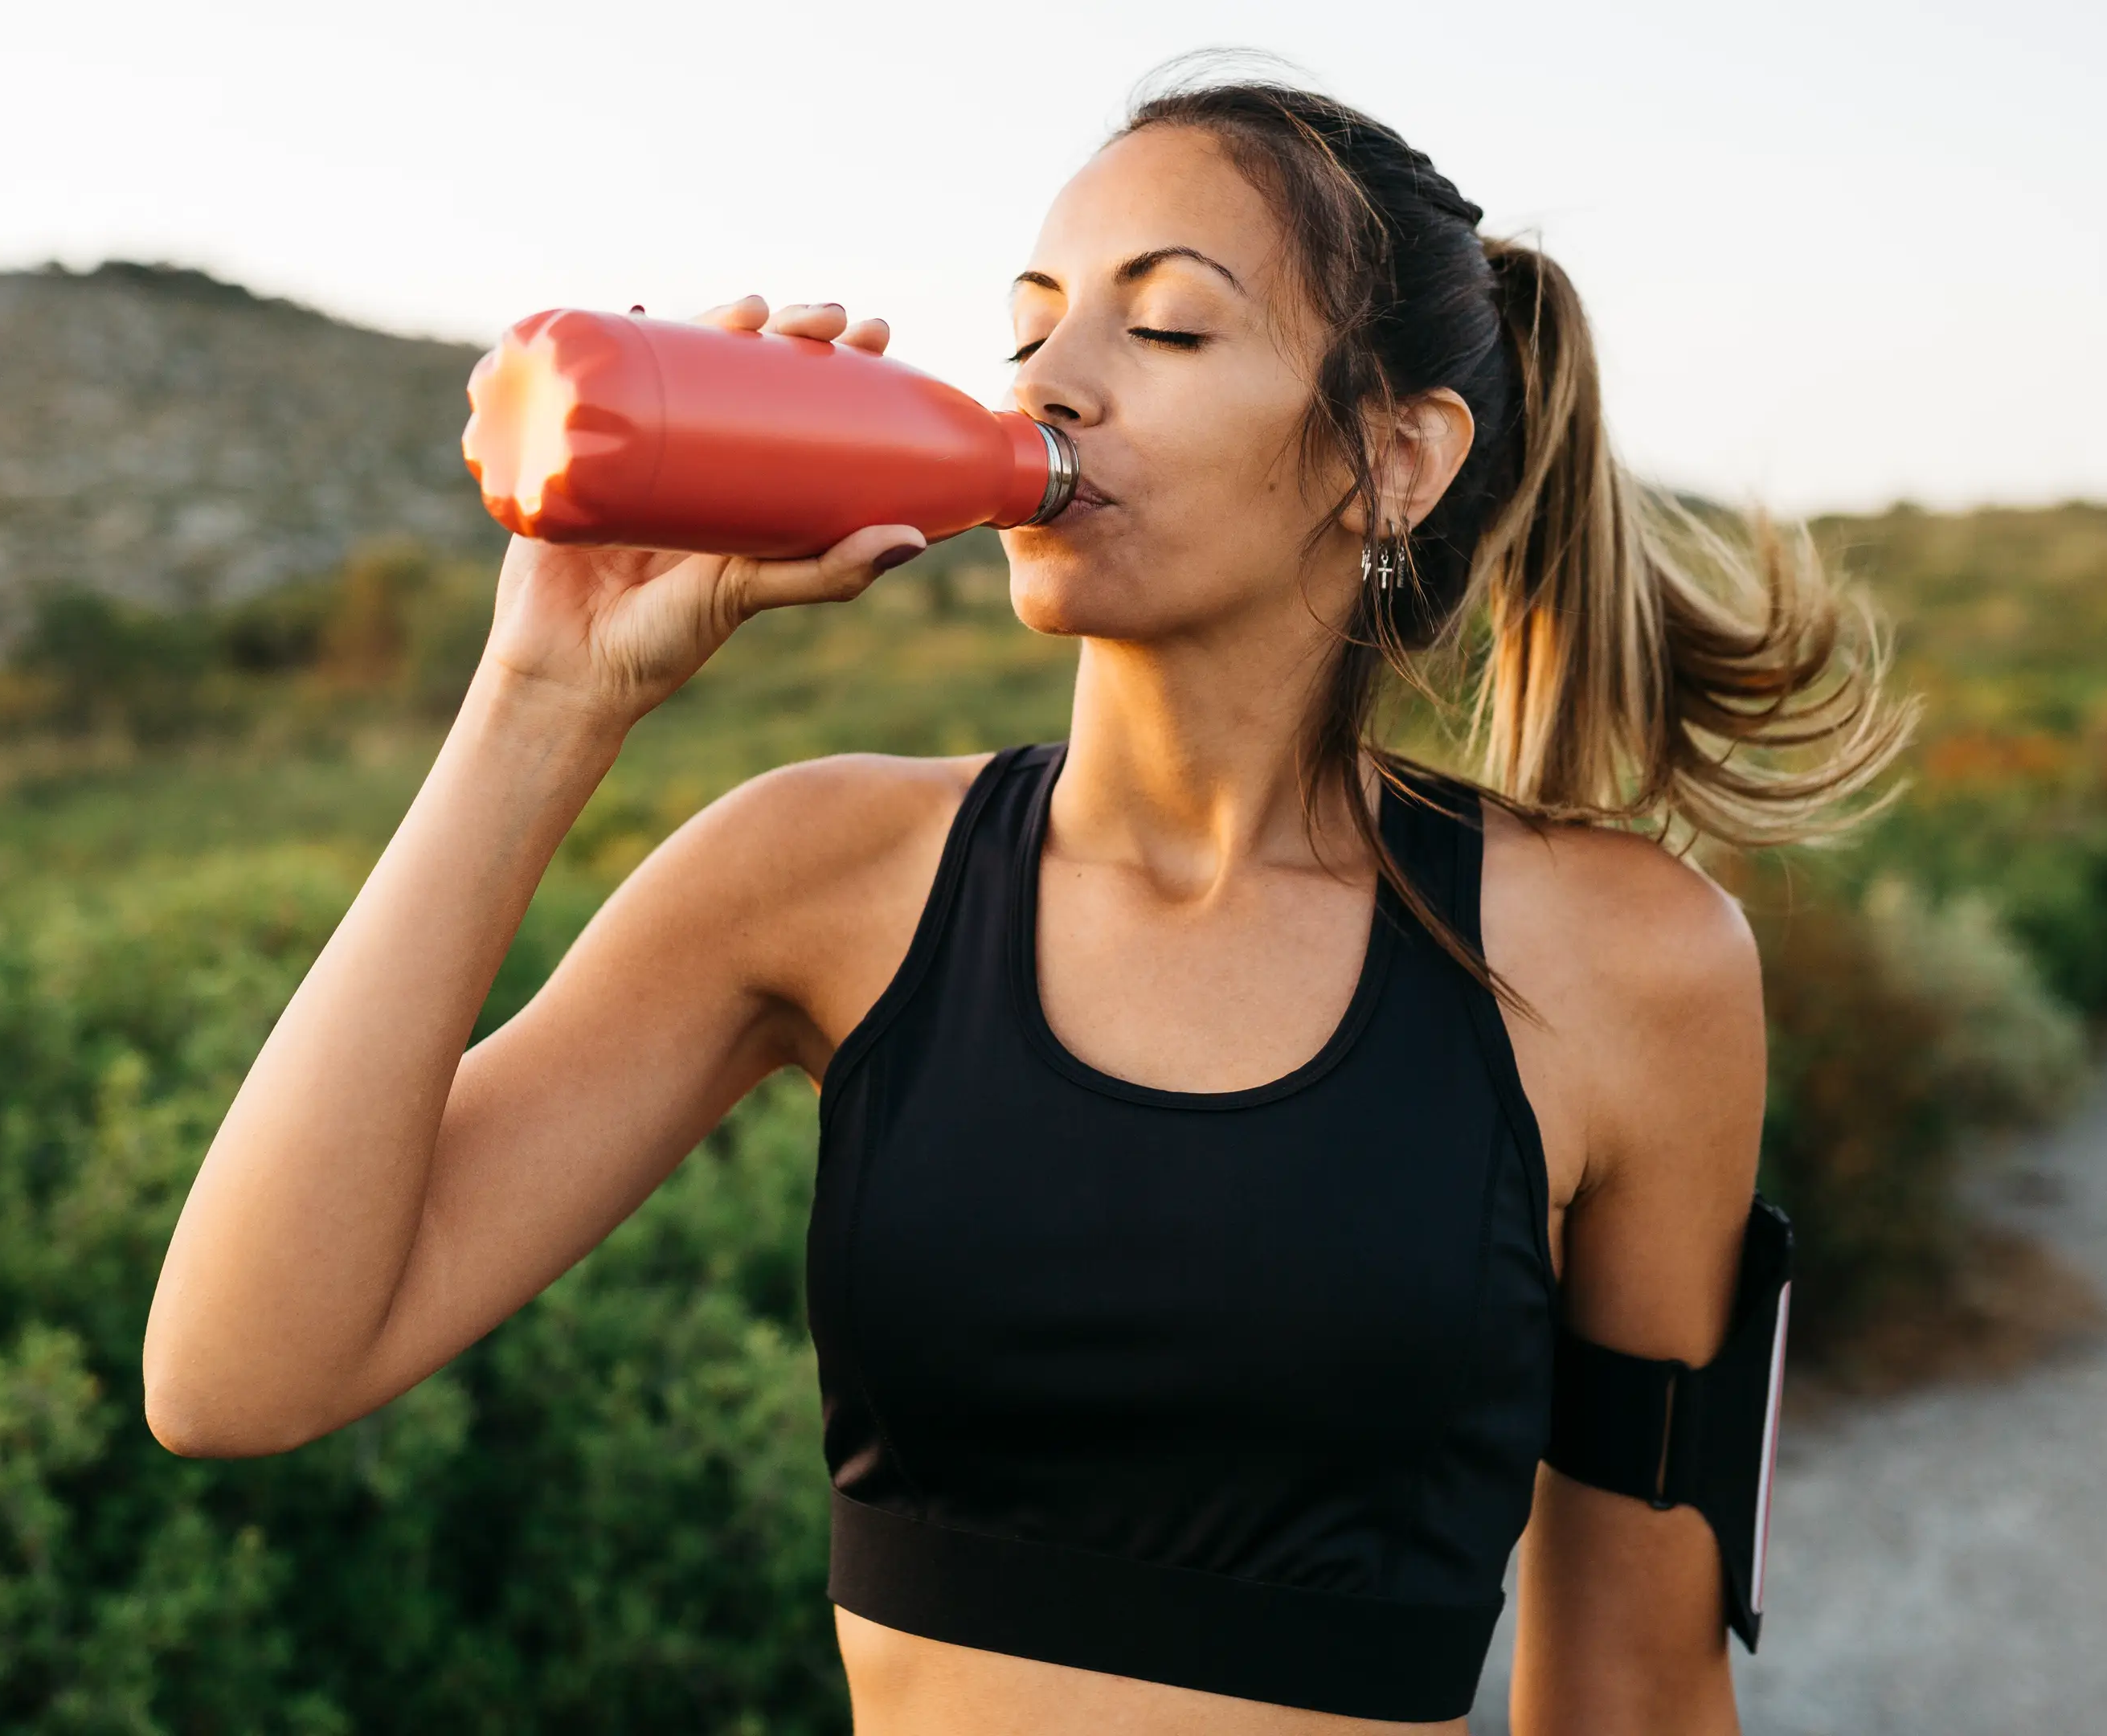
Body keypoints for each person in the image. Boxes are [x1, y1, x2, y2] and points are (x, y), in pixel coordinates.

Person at [144, 75, 1904, 1735]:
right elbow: (239, 1377)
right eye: (1033, 320)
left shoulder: (1621, 963)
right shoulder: (820, 876)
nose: (1048, 384)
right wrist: (543, 696)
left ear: (1395, 459)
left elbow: (1637, 1689)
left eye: (1166, 325)